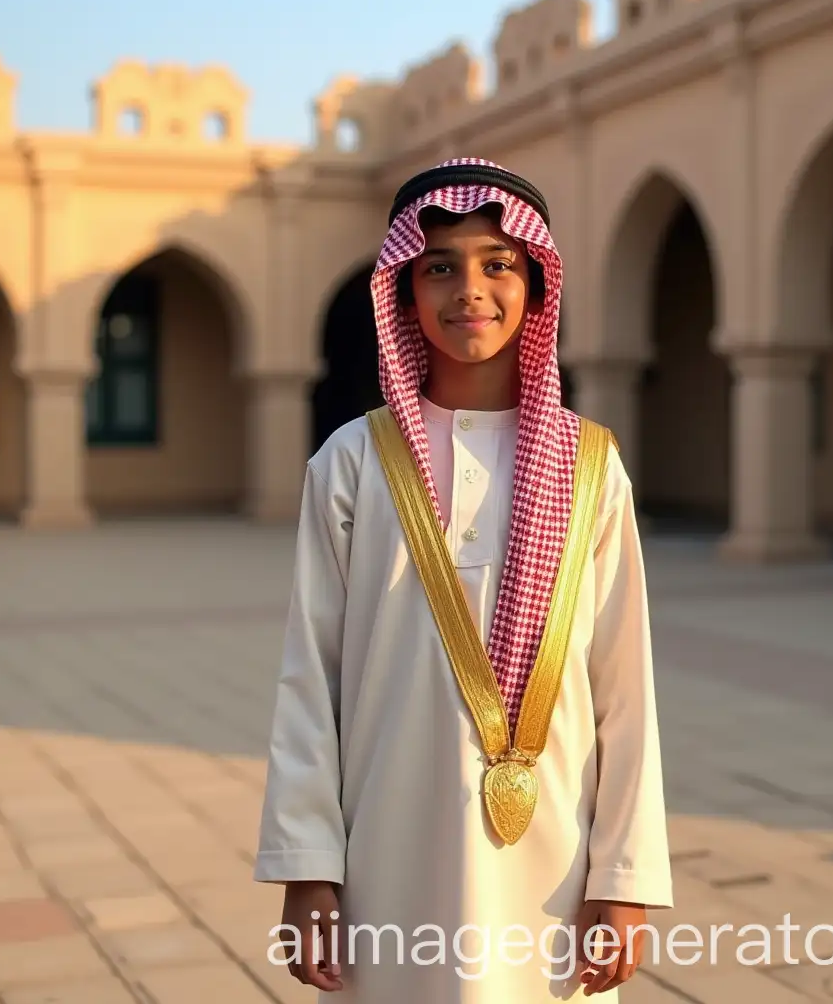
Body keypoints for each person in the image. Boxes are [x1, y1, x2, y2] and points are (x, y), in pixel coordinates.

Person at [253, 158, 672, 1001]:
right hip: (392, 847)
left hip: (554, 854)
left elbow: (625, 687)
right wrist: (308, 865)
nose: (468, 289)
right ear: (403, 293)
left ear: (536, 286)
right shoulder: (354, 463)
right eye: (439, 267)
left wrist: (623, 873)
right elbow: (312, 675)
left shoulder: (592, 468)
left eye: (496, 264)